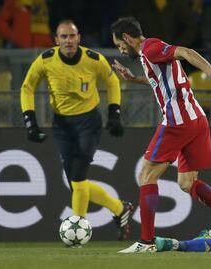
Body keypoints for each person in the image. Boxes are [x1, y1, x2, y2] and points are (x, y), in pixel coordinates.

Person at [110, 16, 211, 253]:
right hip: (197, 120)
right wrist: (134, 79)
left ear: (128, 38)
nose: (120, 50)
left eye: (119, 44)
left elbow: (185, 51)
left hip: (177, 122)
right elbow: (161, 81)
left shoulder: (151, 47)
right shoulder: (148, 55)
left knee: (147, 176)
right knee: (186, 182)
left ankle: (147, 242)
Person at [20, 20, 133, 240]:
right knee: (76, 181)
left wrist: (114, 113)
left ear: (78, 38)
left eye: (72, 36)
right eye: (63, 37)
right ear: (56, 40)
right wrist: (30, 121)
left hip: (88, 123)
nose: (68, 41)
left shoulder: (93, 59)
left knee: (79, 176)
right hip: (61, 125)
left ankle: (76, 228)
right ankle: (120, 208)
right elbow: (27, 88)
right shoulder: (45, 61)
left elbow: (112, 82)